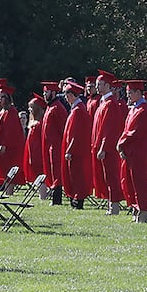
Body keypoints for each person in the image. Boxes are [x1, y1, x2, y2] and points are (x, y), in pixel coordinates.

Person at [116, 80, 147, 223]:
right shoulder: (134, 109)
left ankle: (143, 211)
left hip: (140, 153)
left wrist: (121, 143)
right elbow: (126, 130)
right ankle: (135, 208)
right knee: (130, 182)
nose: (127, 95)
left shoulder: (144, 111)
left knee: (140, 182)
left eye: (130, 92)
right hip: (131, 152)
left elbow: (134, 132)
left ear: (138, 93)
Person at [90, 71, 126, 214]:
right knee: (105, 177)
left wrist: (103, 147)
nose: (97, 87)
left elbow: (109, 129)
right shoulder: (103, 103)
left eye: (100, 84)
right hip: (100, 146)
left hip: (108, 149)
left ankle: (114, 206)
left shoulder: (111, 104)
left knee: (111, 177)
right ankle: (110, 204)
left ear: (108, 85)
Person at [61, 80, 94, 209]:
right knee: (74, 175)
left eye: (66, 94)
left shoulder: (78, 110)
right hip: (76, 149)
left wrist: (70, 149)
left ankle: (78, 200)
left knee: (77, 175)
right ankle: (75, 198)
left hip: (77, 151)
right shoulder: (76, 109)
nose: (65, 97)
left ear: (72, 95)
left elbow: (76, 133)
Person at [41, 81, 70, 205]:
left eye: (46, 92)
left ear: (53, 93)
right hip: (49, 145)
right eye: (44, 92)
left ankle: (57, 199)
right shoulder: (50, 107)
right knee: (51, 170)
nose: (44, 94)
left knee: (56, 171)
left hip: (56, 145)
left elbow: (63, 128)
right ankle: (53, 194)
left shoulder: (58, 108)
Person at [0, 80, 24, 185]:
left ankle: (9, 192)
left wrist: (4, 144)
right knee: (3, 170)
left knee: (9, 170)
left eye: (2, 97)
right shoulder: (3, 111)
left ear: (7, 98)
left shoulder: (11, 112)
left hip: (10, 148)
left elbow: (9, 130)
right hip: (2, 145)